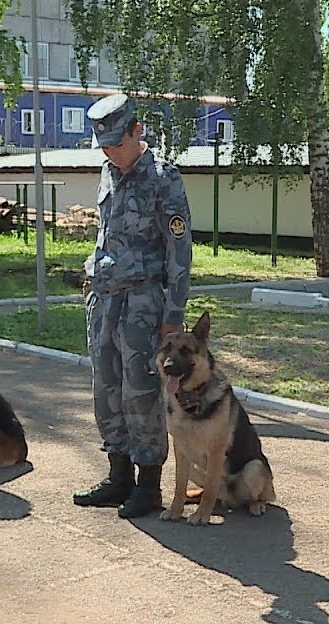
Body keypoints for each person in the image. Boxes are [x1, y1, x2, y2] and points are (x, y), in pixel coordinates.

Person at [72, 93, 193, 519]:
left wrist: (173, 316)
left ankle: (148, 484)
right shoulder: (108, 172)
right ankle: (117, 474)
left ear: (136, 131)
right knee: (106, 387)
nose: (111, 153)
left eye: (117, 144)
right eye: (104, 146)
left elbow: (180, 250)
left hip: (144, 302)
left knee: (140, 392)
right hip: (105, 299)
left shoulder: (164, 178)